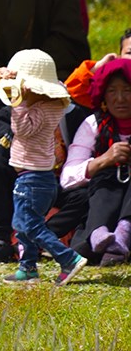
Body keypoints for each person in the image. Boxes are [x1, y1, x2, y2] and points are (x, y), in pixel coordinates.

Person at [0, 50, 88, 285]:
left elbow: (23, 130)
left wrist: (17, 104)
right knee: (21, 225)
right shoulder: (50, 104)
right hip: (35, 179)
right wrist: (5, 76)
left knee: (30, 225)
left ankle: (68, 258)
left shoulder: (42, 110)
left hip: (34, 180)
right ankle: (28, 267)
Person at [61, 58, 131, 266]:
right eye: (112, 91)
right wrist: (104, 160)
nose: (120, 99)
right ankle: (100, 234)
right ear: (103, 95)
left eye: (127, 90)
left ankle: (122, 234)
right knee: (104, 172)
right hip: (103, 202)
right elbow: (67, 179)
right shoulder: (93, 125)